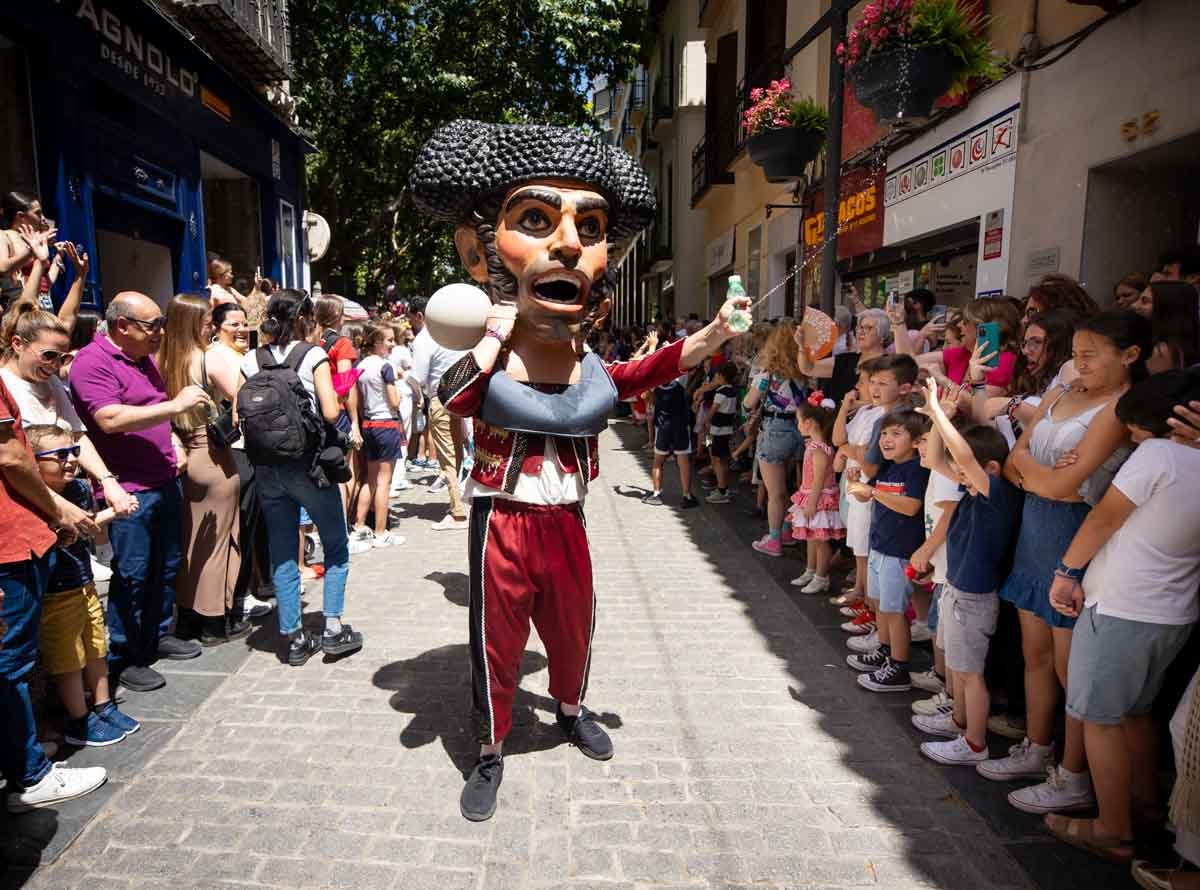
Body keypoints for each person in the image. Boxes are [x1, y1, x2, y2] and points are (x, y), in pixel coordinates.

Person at [410, 118, 751, 821]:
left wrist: (715, 333)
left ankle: (568, 708)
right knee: (496, 642)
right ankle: (491, 748)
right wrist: (497, 333)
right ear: (479, 252)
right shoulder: (488, 352)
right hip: (501, 519)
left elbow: (641, 374)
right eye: (536, 220)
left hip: (566, 521)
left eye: (589, 228)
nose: (567, 243)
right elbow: (457, 398)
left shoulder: (588, 362)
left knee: (571, 630)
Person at [981, 310, 1151, 813]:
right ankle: (1037, 749)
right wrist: (1046, 475)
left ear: (1131, 355)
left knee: (1070, 669)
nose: (1078, 363)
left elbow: (1058, 482)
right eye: (1075, 353)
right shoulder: (1059, 392)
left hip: (1075, 544)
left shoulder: (1122, 407)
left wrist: (1043, 475)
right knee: (1035, 656)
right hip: (1037, 530)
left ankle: (1074, 775)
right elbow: (1017, 465)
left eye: (1090, 354)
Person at [1044, 370, 1200, 863]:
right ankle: (1145, 805)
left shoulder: (1158, 454)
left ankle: (1113, 827)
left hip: (1121, 607)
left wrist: (1067, 571)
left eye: (1132, 428)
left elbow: (1105, 515)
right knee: (1137, 712)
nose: (1128, 437)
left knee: (1098, 717)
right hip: (1172, 613)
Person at [69, 292, 209, 692]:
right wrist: (175, 407)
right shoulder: (92, 363)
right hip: (129, 488)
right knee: (132, 573)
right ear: (122, 326)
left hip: (162, 479)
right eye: (152, 325)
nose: (160, 332)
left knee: (166, 565)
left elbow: (153, 405)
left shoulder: (143, 358)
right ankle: (126, 656)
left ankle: (157, 634)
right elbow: (109, 419)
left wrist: (175, 442)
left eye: (161, 323)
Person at [237, 290, 362, 666]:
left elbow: (237, 418)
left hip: (266, 470)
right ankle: (333, 628)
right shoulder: (313, 355)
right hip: (309, 468)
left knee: (282, 551)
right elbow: (329, 410)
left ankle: (293, 638)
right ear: (306, 318)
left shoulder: (249, 360)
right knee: (336, 547)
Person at [0, 371, 106, 812]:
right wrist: (58, 508)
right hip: (10, 545)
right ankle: (29, 774)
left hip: (19, 539)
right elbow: (9, 455)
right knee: (10, 665)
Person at [911, 378, 1022, 764]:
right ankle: (959, 721)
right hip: (958, 589)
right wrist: (937, 417)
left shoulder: (997, 495)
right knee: (958, 668)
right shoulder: (972, 488)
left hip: (974, 597)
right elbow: (936, 460)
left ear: (989, 467)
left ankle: (975, 742)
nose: (956, 473)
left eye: (965, 468)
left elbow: (964, 461)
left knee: (970, 673)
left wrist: (942, 414)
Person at [29, 424, 140, 746]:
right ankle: (79, 718)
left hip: (84, 583)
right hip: (56, 593)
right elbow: (64, 534)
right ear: (33, 463)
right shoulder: (35, 499)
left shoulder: (78, 489)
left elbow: (88, 530)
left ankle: (103, 704)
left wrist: (104, 516)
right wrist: (111, 513)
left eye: (73, 452)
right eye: (59, 455)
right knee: (68, 659)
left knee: (96, 647)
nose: (70, 460)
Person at [157, 294, 245, 645]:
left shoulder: (159, 361)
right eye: (207, 319)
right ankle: (212, 621)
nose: (211, 324)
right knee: (219, 542)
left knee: (191, 543)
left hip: (180, 457)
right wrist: (231, 420)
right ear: (194, 322)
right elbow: (244, 393)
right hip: (212, 455)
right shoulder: (206, 360)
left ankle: (187, 620)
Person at [845, 410, 930, 693]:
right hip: (880, 545)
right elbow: (865, 493)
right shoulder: (887, 466)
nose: (886, 440)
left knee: (895, 611)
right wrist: (856, 482)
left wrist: (872, 493)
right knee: (880, 604)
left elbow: (912, 506)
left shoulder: (916, 469)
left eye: (896, 434)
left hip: (900, 551)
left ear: (917, 441)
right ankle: (884, 648)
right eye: (883, 434)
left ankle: (899, 666)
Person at [205, 303, 273, 621]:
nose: (242, 329)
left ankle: (258, 584)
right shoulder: (217, 354)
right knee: (242, 523)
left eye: (245, 323)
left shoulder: (242, 356)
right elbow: (244, 397)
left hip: (252, 447)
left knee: (255, 521)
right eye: (234, 323)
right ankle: (238, 594)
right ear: (218, 327)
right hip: (236, 449)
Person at [745, 320, 809, 557]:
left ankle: (773, 540)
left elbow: (749, 403)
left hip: (774, 429)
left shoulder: (767, 374)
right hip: (800, 430)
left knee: (775, 492)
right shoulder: (805, 370)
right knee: (791, 486)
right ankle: (786, 530)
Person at [831, 360, 886, 608]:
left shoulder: (882, 415)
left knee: (864, 542)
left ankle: (864, 595)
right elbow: (838, 438)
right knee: (857, 541)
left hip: (865, 482)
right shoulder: (864, 412)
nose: (859, 387)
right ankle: (860, 589)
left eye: (863, 382)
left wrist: (847, 450)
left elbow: (865, 454)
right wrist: (844, 409)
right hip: (852, 481)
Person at [411, 301, 469, 531]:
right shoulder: (457, 334)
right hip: (460, 398)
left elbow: (418, 377)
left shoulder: (425, 339)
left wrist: (418, 398)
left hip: (440, 398)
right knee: (456, 454)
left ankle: (457, 512)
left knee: (447, 459)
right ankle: (459, 504)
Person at [352, 321, 406, 547]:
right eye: (389, 340)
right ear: (377, 342)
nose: (393, 345)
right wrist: (399, 392)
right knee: (384, 482)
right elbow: (394, 401)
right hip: (386, 423)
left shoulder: (361, 365)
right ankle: (381, 532)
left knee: (370, 479)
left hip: (369, 424)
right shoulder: (386, 367)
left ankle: (359, 525)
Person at [787, 394, 844, 594]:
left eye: (798, 421)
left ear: (809, 423)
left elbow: (819, 478)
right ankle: (810, 570)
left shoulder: (819, 449)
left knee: (821, 541)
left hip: (819, 498)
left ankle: (822, 576)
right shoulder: (813, 446)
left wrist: (811, 502)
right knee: (812, 537)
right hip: (812, 495)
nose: (798, 425)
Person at [642, 344, 697, 509]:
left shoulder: (655, 380)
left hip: (663, 426)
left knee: (658, 461)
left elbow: (648, 369)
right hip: (680, 425)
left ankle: (657, 493)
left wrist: (653, 347)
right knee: (683, 461)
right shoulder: (681, 378)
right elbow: (688, 359)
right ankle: (687, 495)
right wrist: (672, 349)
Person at [1132, 281, 1199, 373]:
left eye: (1145, 301)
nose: (1134, 305)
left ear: (1167, 307)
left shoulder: (1164, 351)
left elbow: (1161, 385)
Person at [703, 362, 739, 504]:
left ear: (722, 376)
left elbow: (713, 410)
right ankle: (721, 486)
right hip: (723, 430)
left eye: (717, 375)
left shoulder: (720, 392)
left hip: (716, 430)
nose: (715, 377)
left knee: (717, 458)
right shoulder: (732, 391)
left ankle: (722, 489)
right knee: (718, 457)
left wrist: (705, 422)